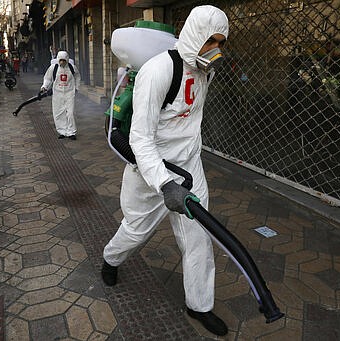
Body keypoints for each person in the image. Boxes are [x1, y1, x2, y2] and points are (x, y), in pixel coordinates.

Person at [101, 5, 229, 336]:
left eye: (221, 42)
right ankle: (111, 259)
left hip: (189, 169)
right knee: (136, 231)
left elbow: (187, 122)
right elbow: (139, 139)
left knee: (199, 238)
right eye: (210, 41)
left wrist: (185, 174)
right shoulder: (158, 72)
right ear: (194, 35)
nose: (215, 50)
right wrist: (164, 184)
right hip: (151, 172)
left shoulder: (205, 72)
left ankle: (199, 305)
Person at [40, 50, 81, 140]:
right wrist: (44, 87)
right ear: (58, 59)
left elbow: (77, 77)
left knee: (70, 113)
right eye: (60, 60)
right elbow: (48, 79)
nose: (62, 62)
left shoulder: (72, 67)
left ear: (67, 59)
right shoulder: (53, 68)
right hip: (57, 93)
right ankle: (62, 131)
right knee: (58, 113)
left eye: (64, 60)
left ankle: (71, 132)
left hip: (69, 93)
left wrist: (77, 87)